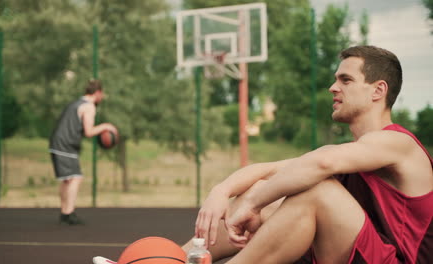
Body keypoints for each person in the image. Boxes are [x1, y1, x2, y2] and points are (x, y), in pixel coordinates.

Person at [183, 46, 433, 263]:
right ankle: (174, 257)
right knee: (269, 192)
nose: (333, 87)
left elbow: (321, 162)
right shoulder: (356, 153)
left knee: (316, 190)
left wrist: (252, 204)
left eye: (345, 80)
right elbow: (270, 170)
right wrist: (222, 191)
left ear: (378, 90)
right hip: (352, 253)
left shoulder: (399, 142)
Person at [49, 79, 117, 225]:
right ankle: (69, 213)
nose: (102, 97)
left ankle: (64, 212)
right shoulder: (89, 106)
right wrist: (106, 126)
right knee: (76, 177)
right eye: (102, 94)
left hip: (57, 142)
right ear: (98, 93)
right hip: (65, 144)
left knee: (66, 179)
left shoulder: (76, 102)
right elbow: (89, 131)